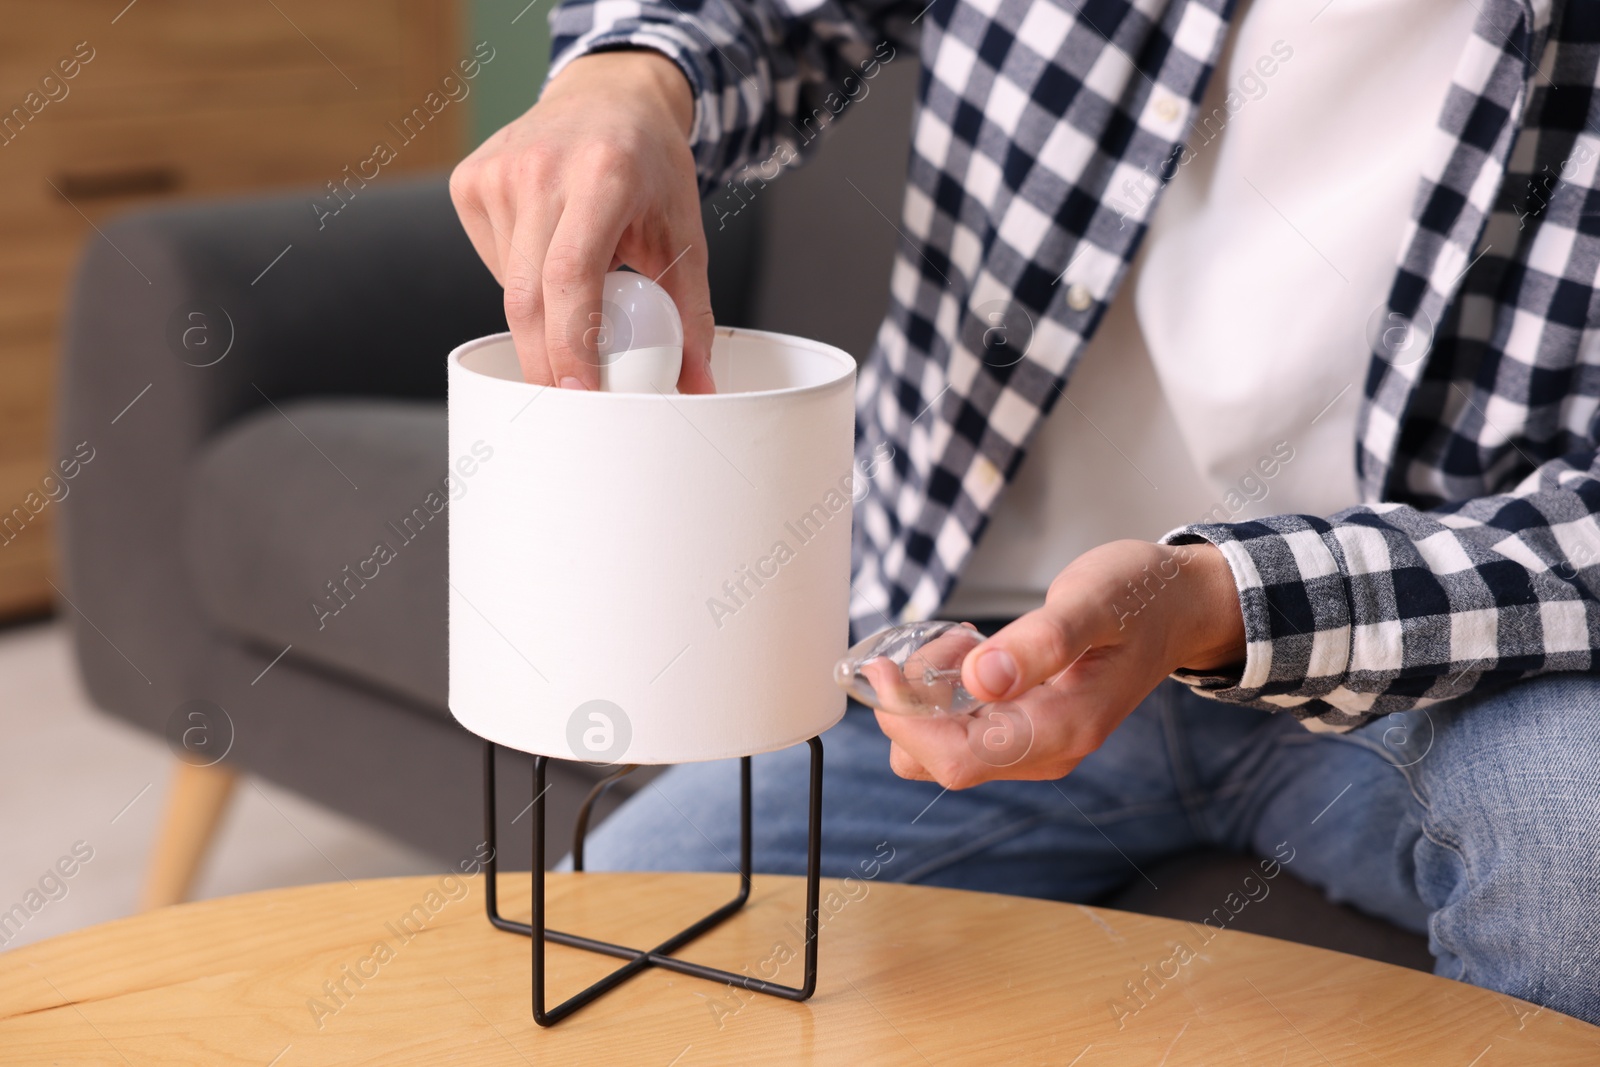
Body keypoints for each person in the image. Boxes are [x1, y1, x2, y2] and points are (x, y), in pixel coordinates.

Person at [449, 0, 1600, 1025]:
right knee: (636, 945)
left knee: (1580, 866)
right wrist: (630, 75)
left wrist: (1210, 603)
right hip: (971, 635)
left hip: (1462, 662)